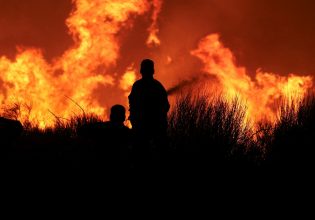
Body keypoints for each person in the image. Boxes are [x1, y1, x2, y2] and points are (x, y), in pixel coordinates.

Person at [128, 59, 170, 146]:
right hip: (144, 127)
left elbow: (165, 107)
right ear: (153, 71)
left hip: (153, 127)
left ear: (141, 71)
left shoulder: (138, 86)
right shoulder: (157, 86)